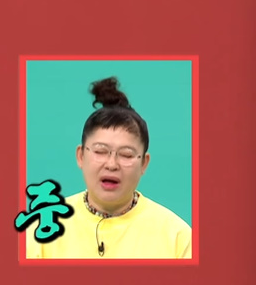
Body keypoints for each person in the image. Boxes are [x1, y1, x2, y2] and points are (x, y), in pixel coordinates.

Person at [26, 77, 192, 259]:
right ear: (81, 156)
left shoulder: (178, 237)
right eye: (100, 151)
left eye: (126, 155)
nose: (112, 164)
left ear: (144, 163)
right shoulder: (42, 228)